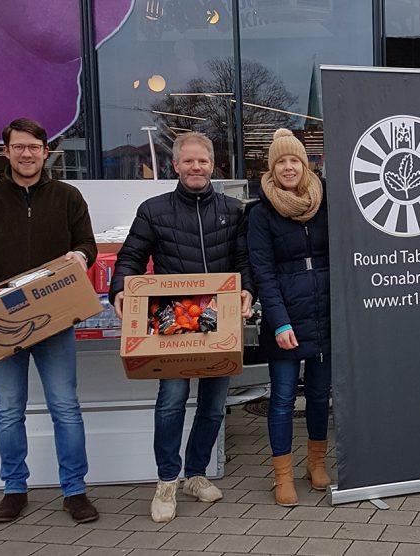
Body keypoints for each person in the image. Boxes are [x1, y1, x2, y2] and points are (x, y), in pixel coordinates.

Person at [0, 118, 99, 524]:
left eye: (34, 147)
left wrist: (80, 257)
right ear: (5, 152)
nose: (27, 154)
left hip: (55, 320)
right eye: (19, 147)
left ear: (46, 152)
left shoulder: (67, 196)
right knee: (9, 409)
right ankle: (14, 489)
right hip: (1, 322)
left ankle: (75, 491)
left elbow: (86, 243)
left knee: (66, 407)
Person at [109, 131, 255, 523]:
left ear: (212, 165)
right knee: (171, 402)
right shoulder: (153, 210)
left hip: (219, 320)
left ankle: (196, 473)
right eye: (188, 161)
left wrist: (249, 292)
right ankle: (166, 481)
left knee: (212, 405)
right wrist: (120, 289)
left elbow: (245, 261)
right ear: (175, 165)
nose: (196, 168)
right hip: (172, 322)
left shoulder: (233, 210)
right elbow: (131, 258)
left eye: (202, 161)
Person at [247, 128, 331, 507]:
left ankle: (316, 464)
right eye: (280, 161)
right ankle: (282, 475)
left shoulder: (326, 200)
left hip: (326, 311)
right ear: (272, 167)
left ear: (305, 163)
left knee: (318, 395)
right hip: (286, 316)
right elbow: (262, 271)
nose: (288, 167)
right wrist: (279, 322)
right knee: (281, 398)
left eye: (294, 159)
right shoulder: (261, 212)